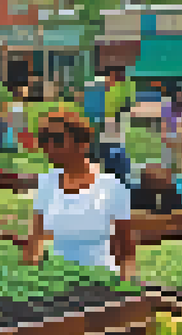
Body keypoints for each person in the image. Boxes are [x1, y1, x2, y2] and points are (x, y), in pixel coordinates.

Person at [20, 111, 135, 279]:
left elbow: (126, 253)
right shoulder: (46, 183)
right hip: (57, 279)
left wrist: (126, 289)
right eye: (45, 141)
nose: (50, 147)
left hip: (101, 282)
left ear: (83, 143)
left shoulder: (112, 187)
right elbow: (36, 239)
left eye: (58, 140)